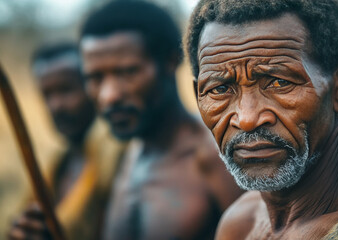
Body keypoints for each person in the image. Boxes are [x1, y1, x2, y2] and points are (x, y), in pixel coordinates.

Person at [185, 0, 338, 239]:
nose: (247, 119)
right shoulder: (239, 224)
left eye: (279, 82)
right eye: (219, 89)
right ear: (198, 96)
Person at [79, 1, 243, 239]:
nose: (109, 95)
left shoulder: (215, 159)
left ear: (171, 61)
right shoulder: (117, 155)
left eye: (127, 72)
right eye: (95, 78)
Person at [7, 43, 124, 240]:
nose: (56, 106)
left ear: (92, 87)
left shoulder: (119, 159)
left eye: (66, 90)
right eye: (47, 95)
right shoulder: (55, 167)